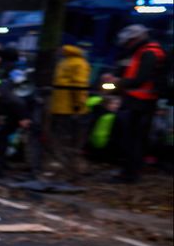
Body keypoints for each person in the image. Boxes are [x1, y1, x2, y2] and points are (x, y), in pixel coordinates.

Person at [106, 25, 167, 183]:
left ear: (136, 39)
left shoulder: (148, 53)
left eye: (129, 42)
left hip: (140, 103)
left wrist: (118, 83)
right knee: (131, 139)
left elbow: (140, 79)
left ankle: (130, 174)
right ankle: (128, 171)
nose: (127, 45)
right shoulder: (141, 52)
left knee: (134, 140)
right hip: (136, 102)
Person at [49, 45, 91, 152]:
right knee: (74, 135)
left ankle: (55, 157)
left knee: (58, 134)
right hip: (70, 106)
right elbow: (79, 86)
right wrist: (79, 104)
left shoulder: (63, 62)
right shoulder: (80, 64)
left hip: (58, 105)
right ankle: (69, 160)